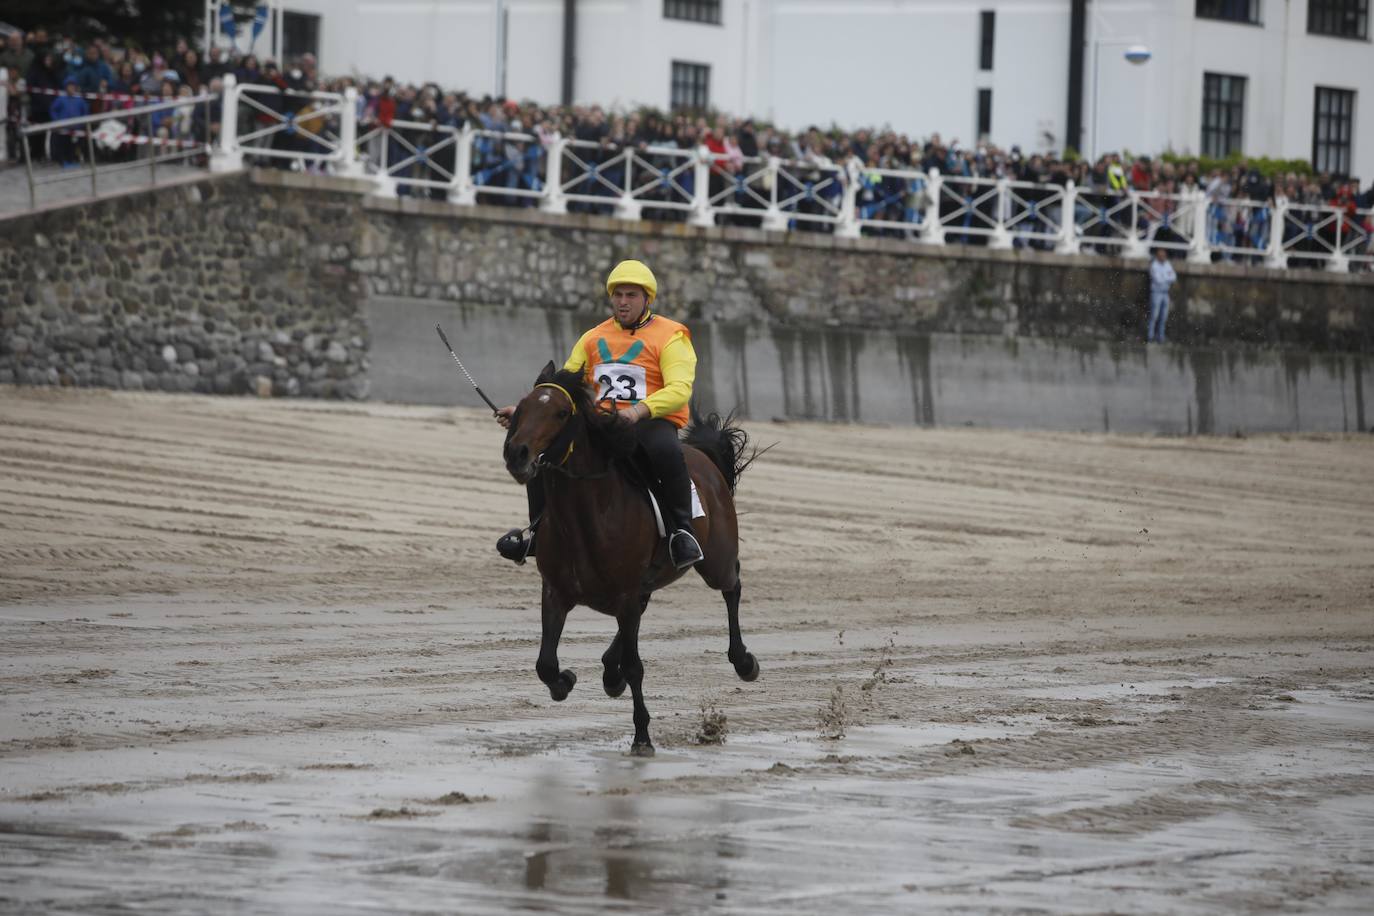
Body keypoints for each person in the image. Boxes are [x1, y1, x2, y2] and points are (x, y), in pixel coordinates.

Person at [494, 259, 706, 569]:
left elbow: (679, 389)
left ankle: (682, 533)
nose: (622, 302)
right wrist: (524, 413)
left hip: (649, 421)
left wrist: (637, 412)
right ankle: (538, 533)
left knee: (666, 450)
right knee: (546, 454)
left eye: (631, 295)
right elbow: (562, 387)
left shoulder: (672, 336)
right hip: (599, 422)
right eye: (617, 295)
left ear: (647, 299)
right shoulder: (593, 337)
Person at [1147, 248, 1177, 344]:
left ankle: (1161, 337)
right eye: (1161, 256)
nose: (1163, 257)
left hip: (1165, 293)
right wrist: (1167, 276)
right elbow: (1158, 280)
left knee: (1163, 317)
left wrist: (1165, 277)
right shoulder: (1154, 265)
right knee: (1154, 316)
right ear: (1157, 256)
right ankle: (1150, 336)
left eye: (1164, 256)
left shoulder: (1167, 264)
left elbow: (1174, 277)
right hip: (1156, 293)